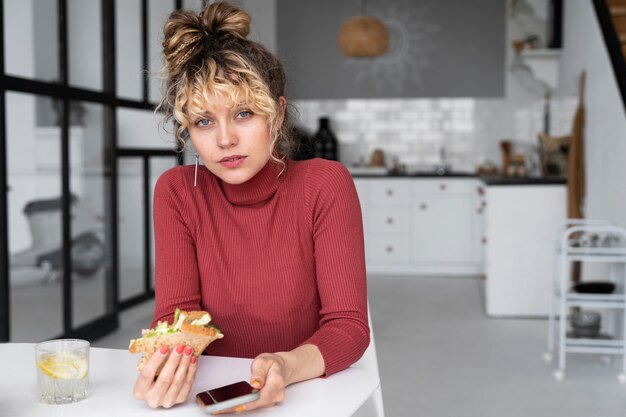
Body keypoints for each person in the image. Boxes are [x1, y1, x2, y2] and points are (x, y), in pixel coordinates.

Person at [132, 1, 370, 412]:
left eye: (243, 114)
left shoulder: (325, 184)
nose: (225, 140)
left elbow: (348, 327)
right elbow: (177, 314)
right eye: (204, 121)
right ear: (186, 130)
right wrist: (167, 359)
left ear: (276, 115)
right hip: (211, 394)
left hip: (306, 386)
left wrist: (285, 365)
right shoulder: (176, 191)